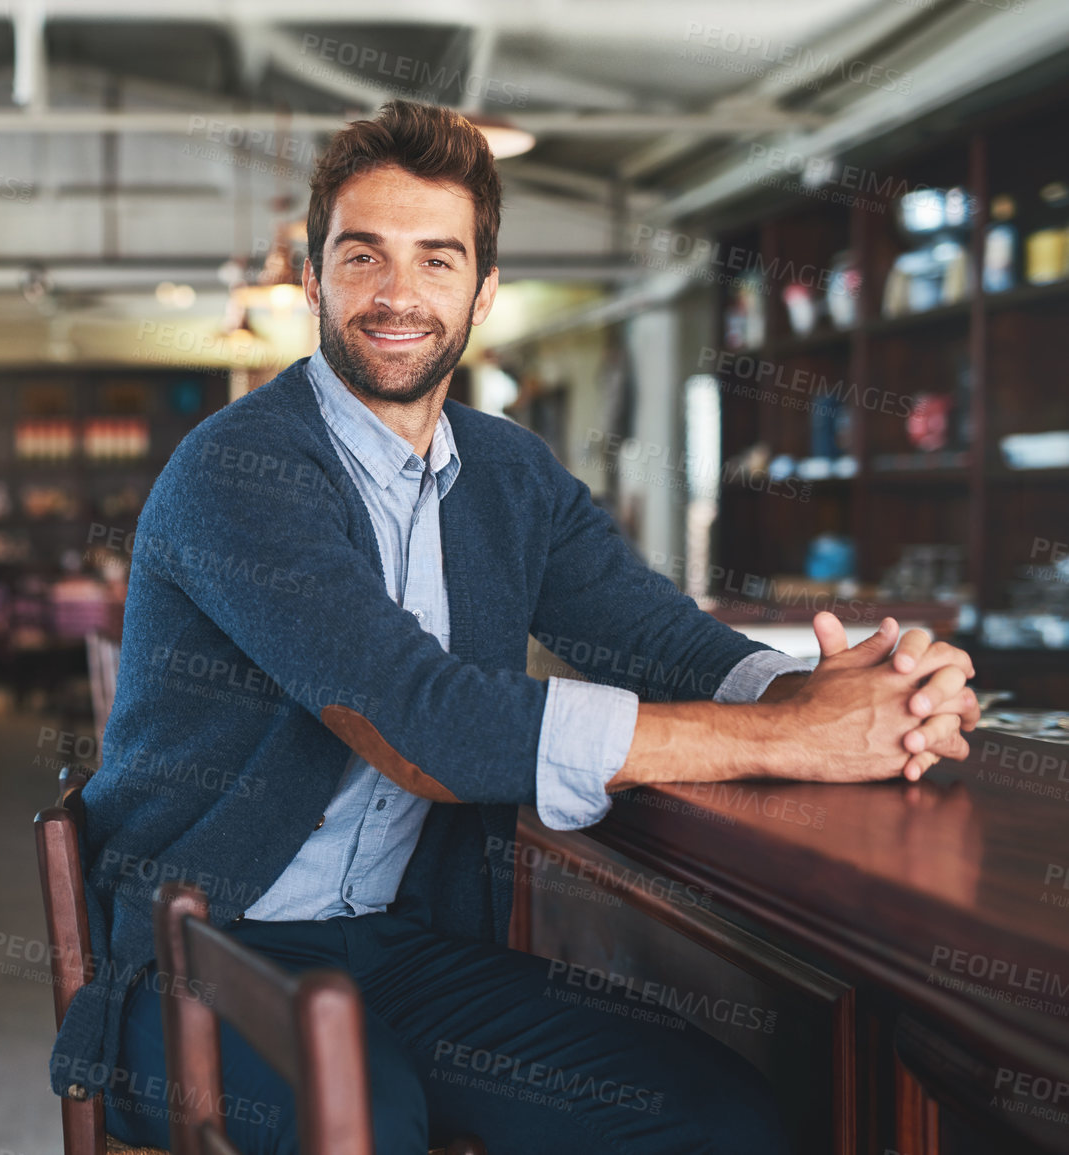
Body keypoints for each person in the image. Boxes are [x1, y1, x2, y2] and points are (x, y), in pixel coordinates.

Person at [48, 99, 979, 1154]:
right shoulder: (239, 471)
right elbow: (421, 723)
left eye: (438, 261)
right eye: (364, 257)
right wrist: (792, 737)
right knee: (367, 1121)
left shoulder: (508, 474)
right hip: (195, 955)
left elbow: (661, 640)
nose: (400, 294)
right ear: (313, 281)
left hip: (401, 948)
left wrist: (849, 694)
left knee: (719, 1119)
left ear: (484, 291)